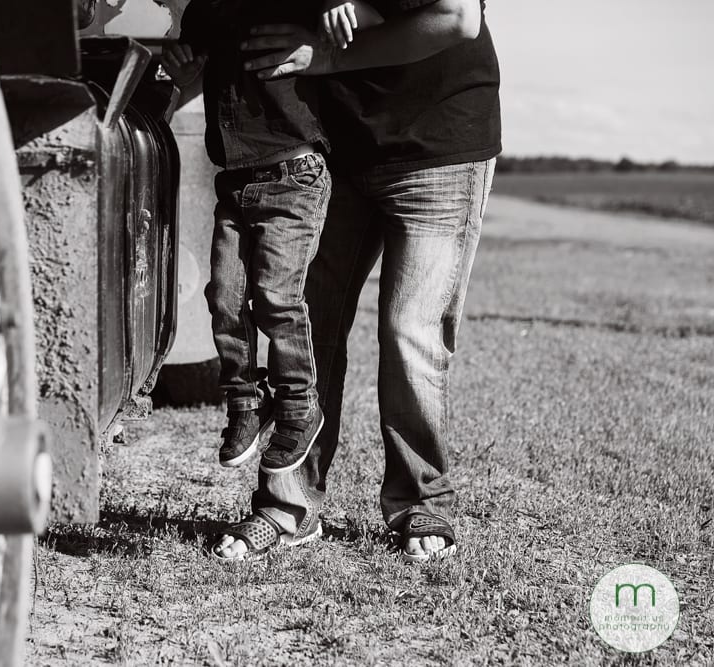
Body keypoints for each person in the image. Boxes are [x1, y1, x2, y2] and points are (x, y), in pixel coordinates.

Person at [211, 0, 501, 562]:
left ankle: (420, 501)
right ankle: (287, 505)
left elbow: (458, 17)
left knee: (409, 332)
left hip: (438, 144)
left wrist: (321, 57)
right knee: (304, 322)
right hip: (328, 151)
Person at [162, 0, 336, 532]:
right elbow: (192, 78)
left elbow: (346, 32)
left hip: (294, 174)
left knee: (278, 300)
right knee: (223, 298)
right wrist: (183, 71)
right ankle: (244, 402)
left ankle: (299, 408)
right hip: (235, 182)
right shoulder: (202, 13)